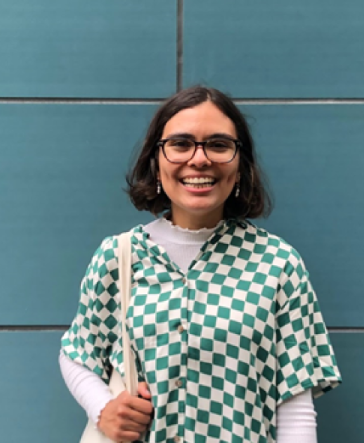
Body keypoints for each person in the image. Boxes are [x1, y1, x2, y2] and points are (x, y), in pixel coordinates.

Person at [60, 86, 342, 443]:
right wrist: (102, 408)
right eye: (180, 144)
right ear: (155, 161)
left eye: (219, 145)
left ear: (240, 165)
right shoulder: (119, 257)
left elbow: (295, 405)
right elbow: (77, 353)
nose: (199, 159)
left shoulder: (278, 264)